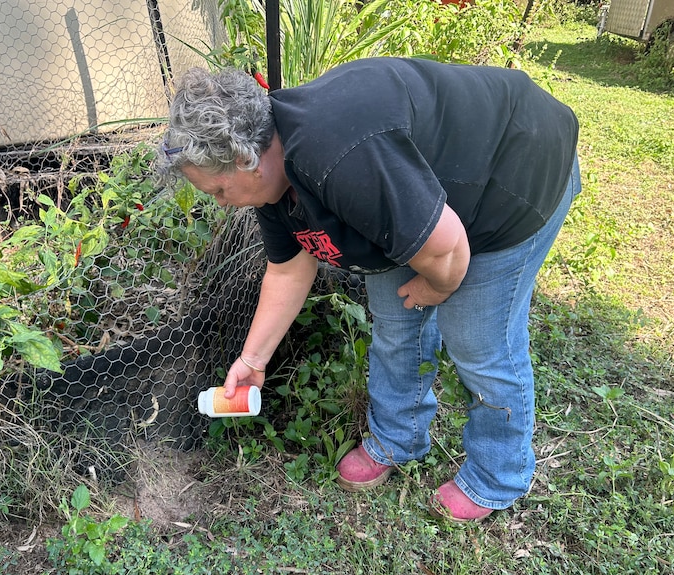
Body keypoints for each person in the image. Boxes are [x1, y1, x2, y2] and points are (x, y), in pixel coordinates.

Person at [156, 57, 580, 523]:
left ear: (244, 160)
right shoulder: (273, 179)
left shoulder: (338, 156)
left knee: (478, 339)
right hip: (421, 203)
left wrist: (436, 290)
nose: (219, 203)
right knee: (396, 322)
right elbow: (288, 271)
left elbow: (446, 254)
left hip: (516, 170)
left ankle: (499, 473)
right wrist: (252, 360)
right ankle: (398, 438)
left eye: (217, 190)